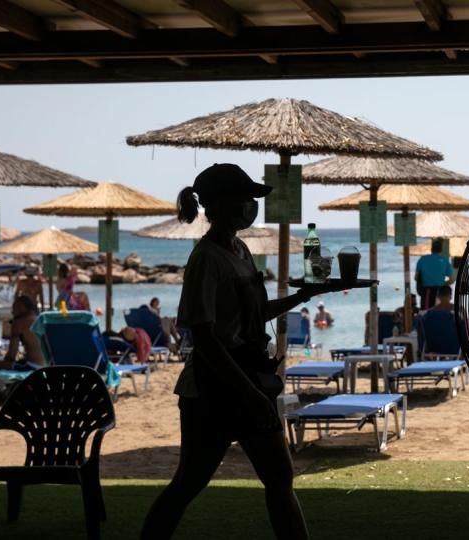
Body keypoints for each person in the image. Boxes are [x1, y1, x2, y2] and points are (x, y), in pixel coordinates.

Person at [141, 163, 338, 540]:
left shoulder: (241, 249)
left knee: (280, 478)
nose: (251, 206)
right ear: (220, 205)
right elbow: (205, 337)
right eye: (245, 199)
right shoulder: (205, 259)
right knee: (189, 483)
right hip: (213, 389)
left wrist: (301, 296)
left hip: (250, 378)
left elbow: (255, 314)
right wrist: (248, 394)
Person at [0, 296, 45, 370]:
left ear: (21, 307)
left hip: (32, 366)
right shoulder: (41, 319)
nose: (12, 312)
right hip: (46, 366)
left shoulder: (19, 322)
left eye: (13, 308)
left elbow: (11, 356)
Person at [415, 238, 453, 309]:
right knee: (440, 312)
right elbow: (452, 280)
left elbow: (416, 277)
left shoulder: (422, 259)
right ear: (441, 250)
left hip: (427, 292)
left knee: (426, 313)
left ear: (431, 249)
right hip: (440, 293)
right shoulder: (445, 261)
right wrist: (442, 283)